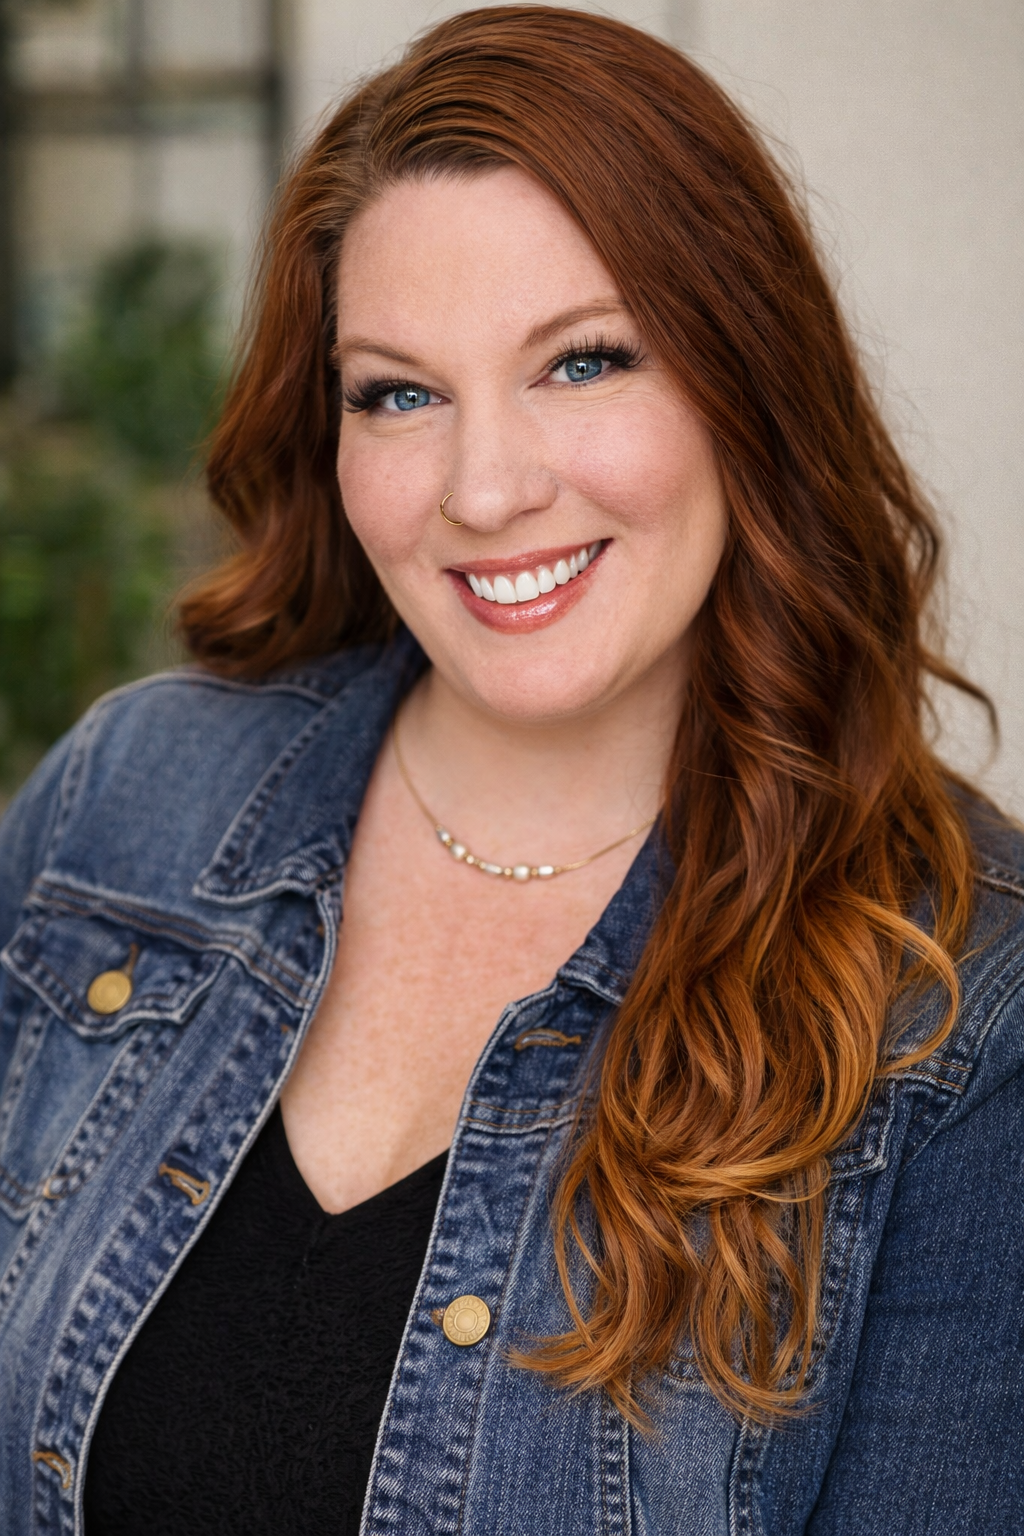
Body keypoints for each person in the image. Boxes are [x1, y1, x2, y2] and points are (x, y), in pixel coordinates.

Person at [0, 7, 1021, 1532]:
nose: (484, 488)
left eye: (585, 361)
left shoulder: (949, 1002)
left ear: (748, 383)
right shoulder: (130, 801)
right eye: (398, 392)